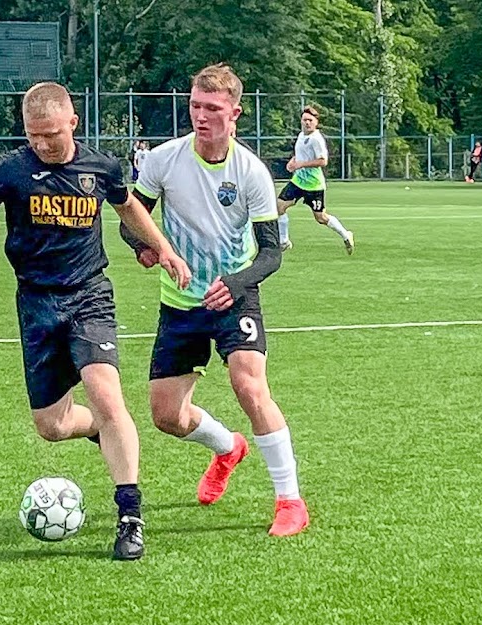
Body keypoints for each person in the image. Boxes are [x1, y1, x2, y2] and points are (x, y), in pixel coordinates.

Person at [0, 81, 191, 560]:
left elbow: (127, 204)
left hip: (89, 296)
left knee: (106, 392)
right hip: (36, 305)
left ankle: (130, 515)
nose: (43, 145)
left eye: (51, 135)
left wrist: (164, 250)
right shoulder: (13, 171)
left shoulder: (101, 166)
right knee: (51, 426)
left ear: (72, 123)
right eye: (34, 136)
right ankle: (102, 430)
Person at [120, 63, 309, 537]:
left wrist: (239, 283)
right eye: (195, 106)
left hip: (233, 299)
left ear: (235, 114)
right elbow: (132, 218)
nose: (201, 117)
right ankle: (228, 448)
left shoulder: (251, 172)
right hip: (179, 302)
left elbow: (270, 253)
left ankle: (290, 501)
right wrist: (146, 247)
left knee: (250, 387)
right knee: (166, 416)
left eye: (212, 109)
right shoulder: (163, 159)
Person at [277, 107, 354, 255]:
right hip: (298, 181)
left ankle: (346, 234)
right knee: (279, 207)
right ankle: (284, 241)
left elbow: (323, 161)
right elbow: (299, 154)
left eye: (310, 120)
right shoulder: (301, 136)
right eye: (305, 120)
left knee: (321, 217)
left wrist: (301, 164)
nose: (307, 123)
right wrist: (293, 162)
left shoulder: (316, 140)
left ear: (316, 123)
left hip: (313, 185)